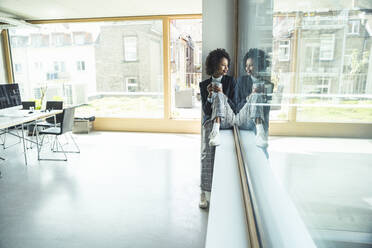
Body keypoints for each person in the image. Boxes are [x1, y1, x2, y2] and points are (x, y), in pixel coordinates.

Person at [199, 48, 235, 209]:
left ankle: (216, 129)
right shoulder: (204, 84)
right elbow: (206, 112)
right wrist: (208, 96)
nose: (226, 69)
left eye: (227, 65)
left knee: (220, 96)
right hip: (211, 120)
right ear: (214, 66)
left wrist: (222, 94)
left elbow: (235, 106)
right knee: (206, 153)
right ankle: (204, 193)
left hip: (228, 118)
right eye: (222, 66)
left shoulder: (230, 82)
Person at [235, 48, 273, 147]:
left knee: (258, 94)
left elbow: (269, 111)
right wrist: (251, 96)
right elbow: (237, 106)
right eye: (246, 65)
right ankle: (260, 133)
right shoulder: (241, 81)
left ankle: (260, 131)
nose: (248, 68)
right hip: (243, 118)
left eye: (251, 65)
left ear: (259, 66)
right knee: (256, 94)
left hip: (259, 119)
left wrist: (264, 98)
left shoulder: (268, 84)